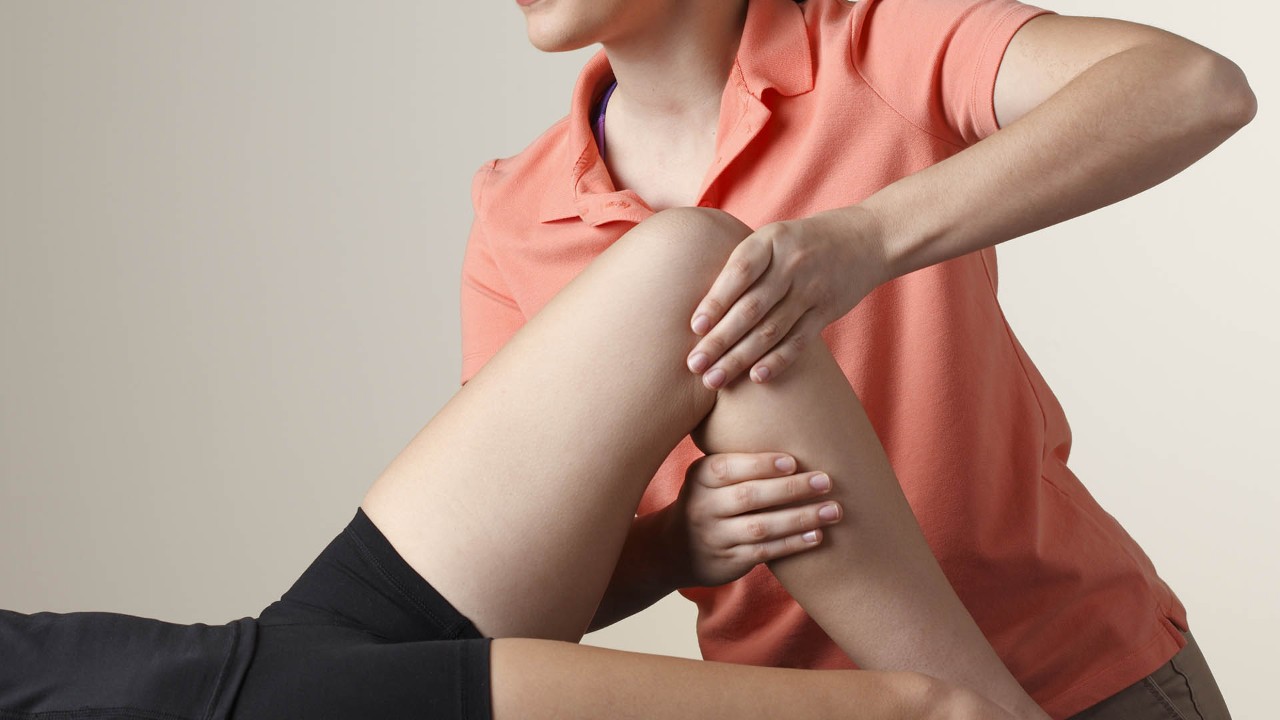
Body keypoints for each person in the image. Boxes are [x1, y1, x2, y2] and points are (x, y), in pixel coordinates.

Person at [462, 0, 1254, 718]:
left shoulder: (874, 46)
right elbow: (505, 592)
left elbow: (1194, 88)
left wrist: (871, 236)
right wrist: (672, 546)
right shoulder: (513, 217)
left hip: (1083, 678)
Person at [6, 207, 1036, 720]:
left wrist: (664, 545)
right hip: (277, 700)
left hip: (261, 664)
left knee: (690, 275)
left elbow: (1198, 90)